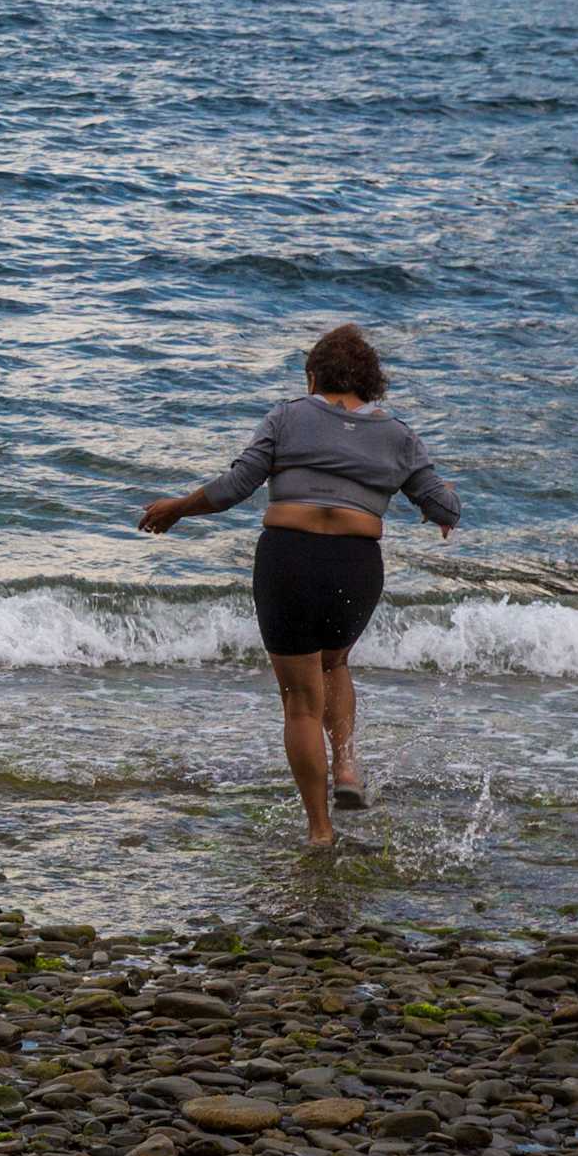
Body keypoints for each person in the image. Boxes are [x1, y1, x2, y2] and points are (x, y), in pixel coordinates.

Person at [138, 322, 458, 847]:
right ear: (372, 383)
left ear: (313, 375)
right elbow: (445, 508)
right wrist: (442, 495)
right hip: (356, 565)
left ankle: (319, 830)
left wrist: (178, 509)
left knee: (300, 701)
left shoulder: (287, 416)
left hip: (289, 558)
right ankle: (348, 767)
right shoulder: (399, 435)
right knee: (335, 662)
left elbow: (237, 485)